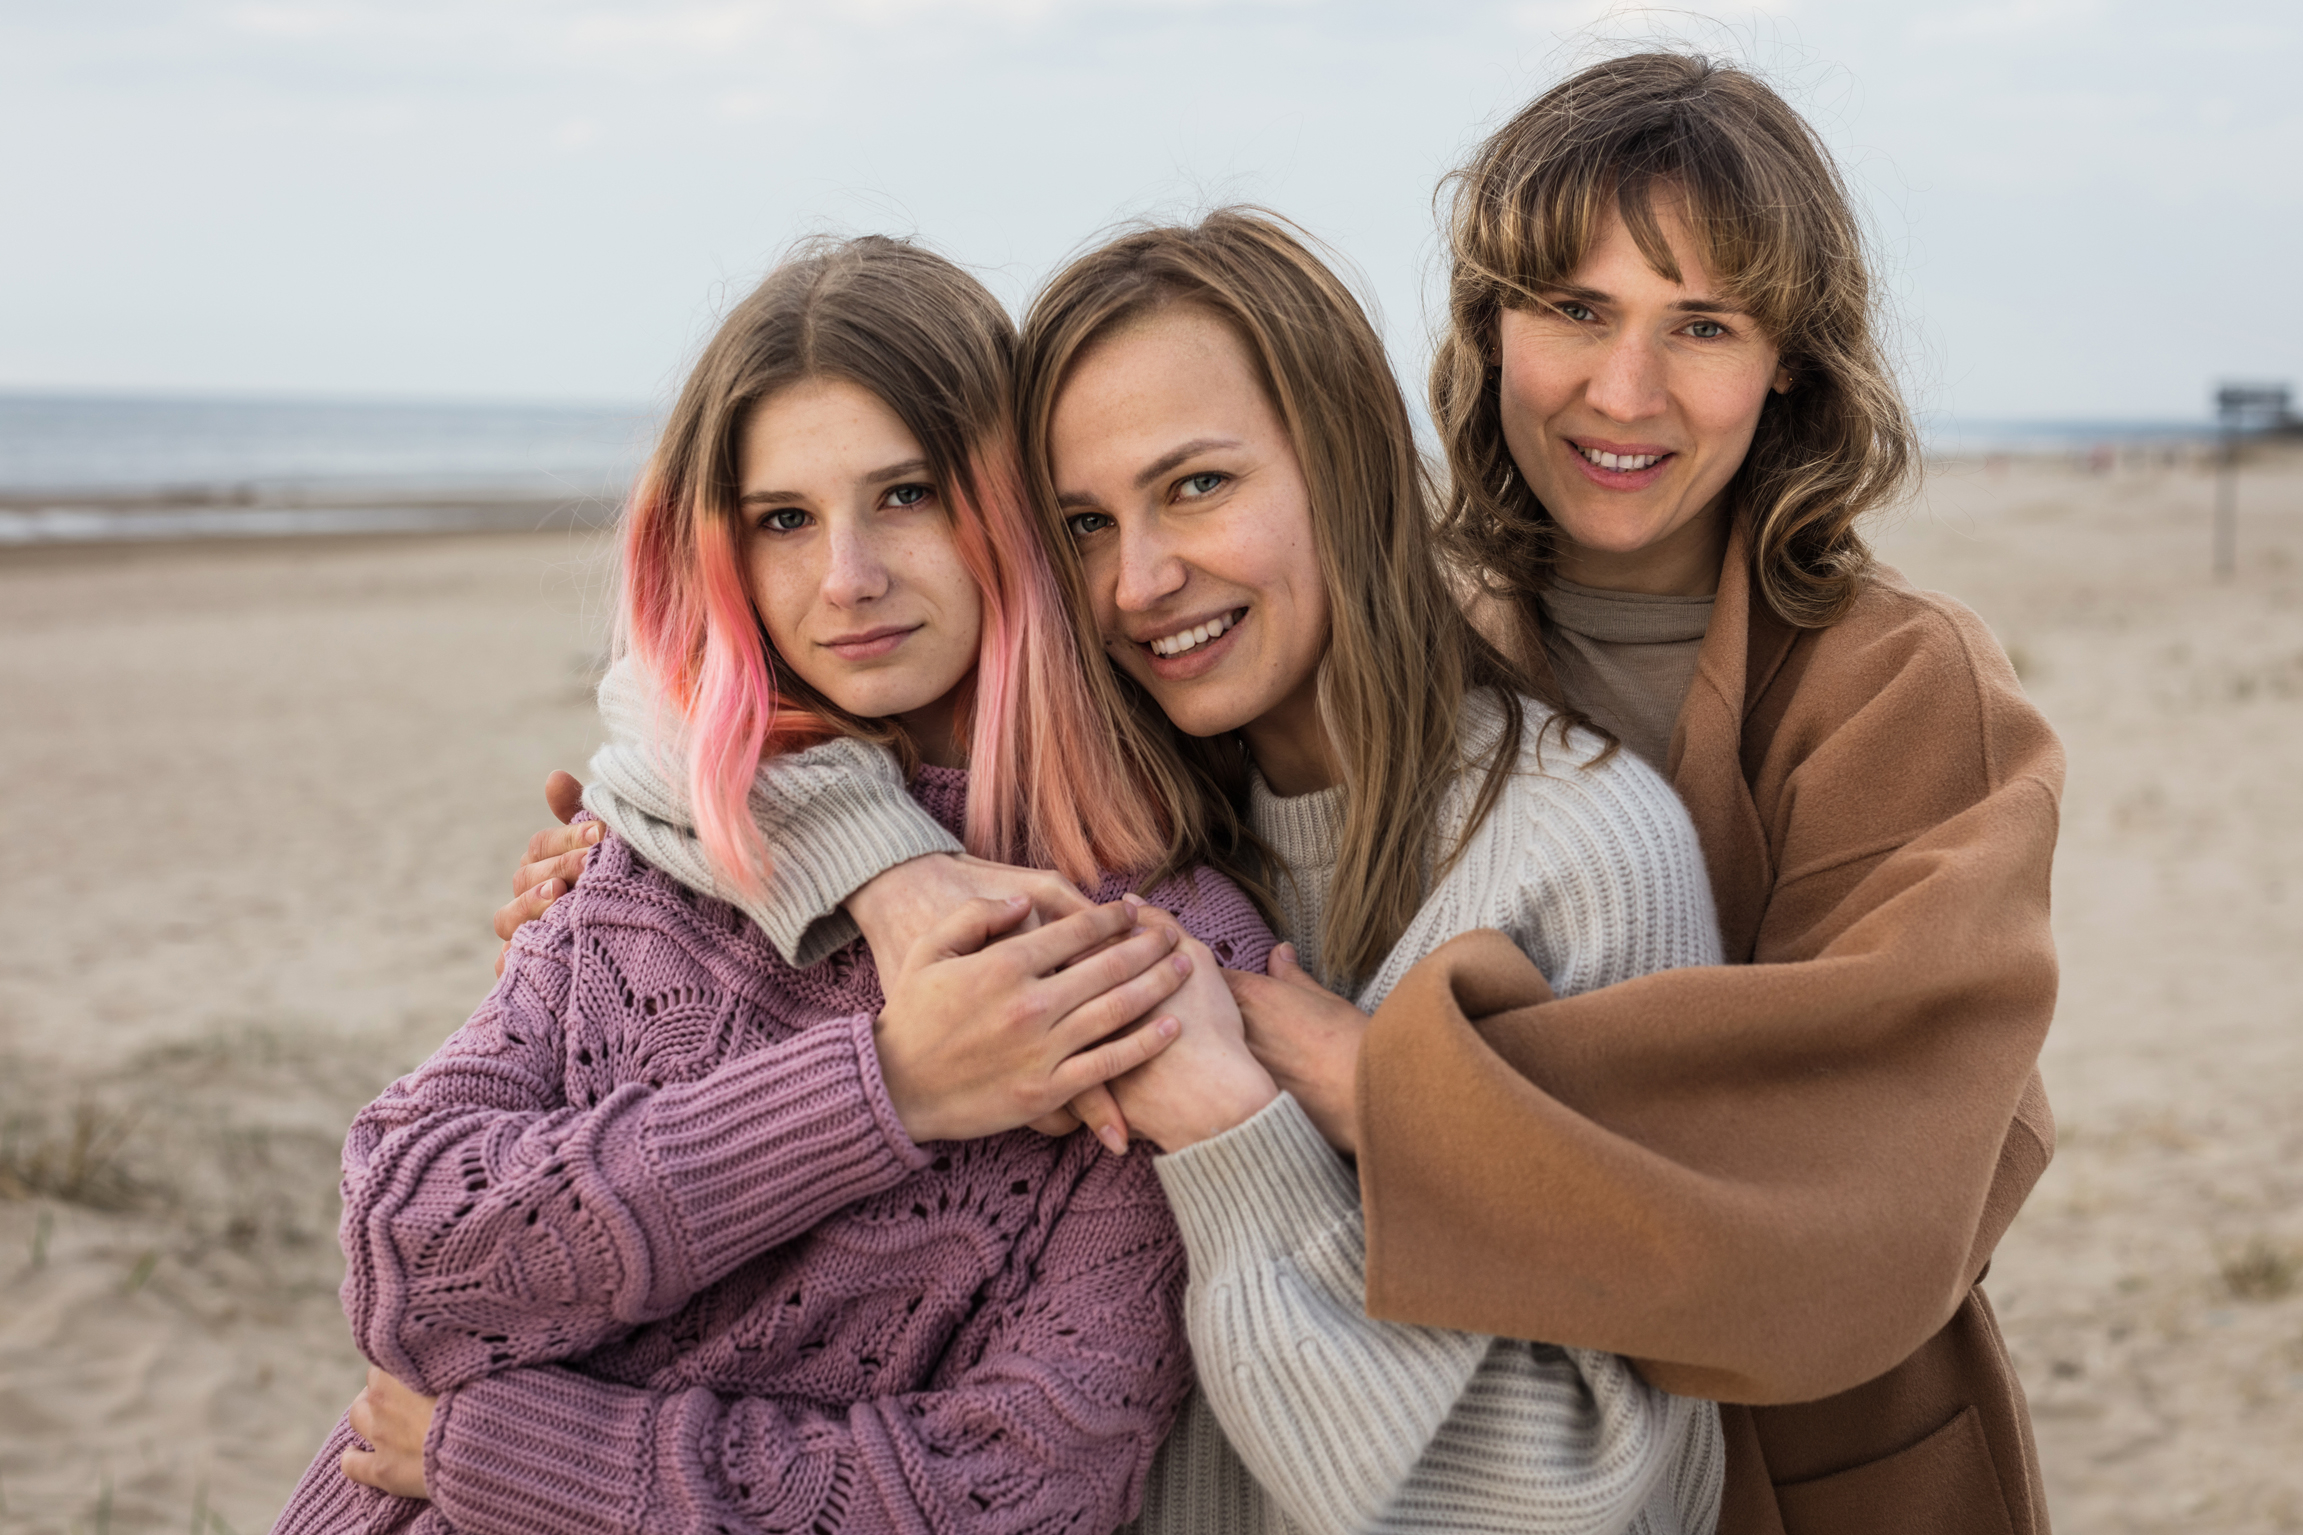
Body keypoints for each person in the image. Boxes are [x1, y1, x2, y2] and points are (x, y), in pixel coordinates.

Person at [501, 209, 1731, 1535]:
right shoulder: (1111, 793)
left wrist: (1232, 1128)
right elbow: (686, 687)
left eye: (1197, 485)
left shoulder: (1584, 850)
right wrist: (876, 872)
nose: (1141, 582)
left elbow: (1597, 1495)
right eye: (1081, 523)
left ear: (1349, 463)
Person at [276, 234, 1276, 1535]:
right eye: (784, 520)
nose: (844, 578)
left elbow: (1020, 1492)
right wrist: (891, 1086)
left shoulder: (1161, 950)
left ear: (1010, 500)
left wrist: (513, 1445)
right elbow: (408, 1260)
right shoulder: (665, 837)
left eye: (905, 495)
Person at [1238, 53, 2061, 1535]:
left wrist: (1382, 1089)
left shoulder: (1905, 689)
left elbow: (1876, 1174)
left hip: (1814, 1479)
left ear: (1791, 362)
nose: (1626, 393)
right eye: (1576, 310)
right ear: (1492, 325)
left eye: (1702, 325)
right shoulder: (1399, 654)